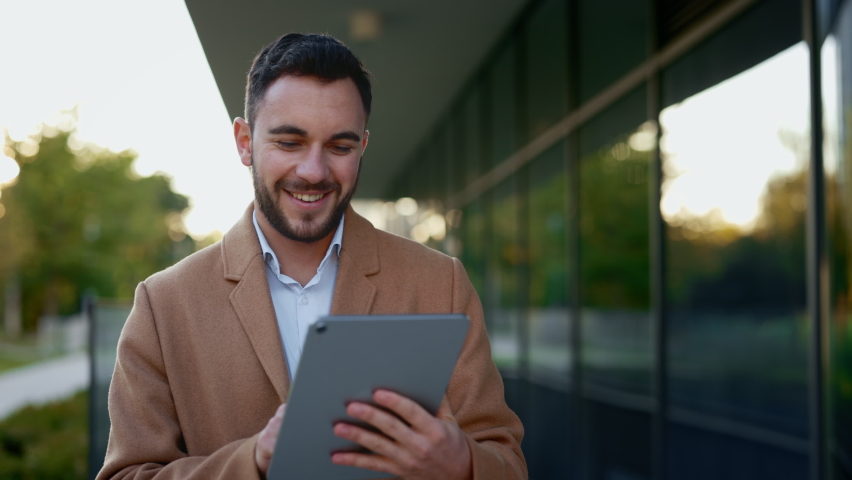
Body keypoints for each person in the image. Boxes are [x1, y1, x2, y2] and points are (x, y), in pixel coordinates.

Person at [98, 33, 526, 480]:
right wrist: (254, 461)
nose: (314, 172)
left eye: (339, 147)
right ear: (244, 141)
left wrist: (461, 464)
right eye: (289, 143)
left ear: (362, 146)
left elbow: (509, 463)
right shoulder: (163, 304)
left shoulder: (442, 284)